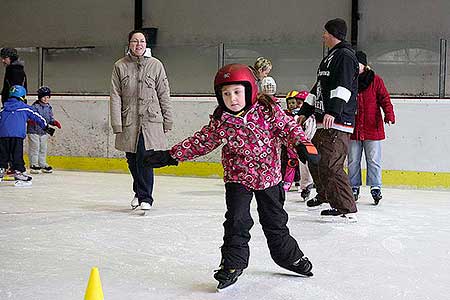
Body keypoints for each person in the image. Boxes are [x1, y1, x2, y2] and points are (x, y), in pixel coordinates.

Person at [143, 64, 319, 291]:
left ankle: (287, 256)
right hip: (238, 178)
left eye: (237, 92)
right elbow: (202, 141)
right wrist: (170, 156)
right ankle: (233, 264)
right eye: (226, 94)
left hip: (269, 177)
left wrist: (302, 143)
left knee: (275, 221)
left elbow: (289, 128)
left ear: (250, 90)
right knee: (237, 221)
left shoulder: (268, 111)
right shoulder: (222, 120)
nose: (232, 98)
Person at [296, 18, 359, 222]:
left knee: (331, 165)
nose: (322, 36)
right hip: (323, 121)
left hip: (337, 122)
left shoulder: (346, 57)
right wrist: (305, 110)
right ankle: (325, 195)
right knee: (314, 160)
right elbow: (318, 88)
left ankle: (346, 208)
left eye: (325, 32)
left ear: (333, 34)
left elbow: (343, 87)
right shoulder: (329, 58)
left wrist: (334, 112)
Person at [110, 29, 173, 211]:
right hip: (129, 120)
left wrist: (167, 120)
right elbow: (115, 95)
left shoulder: (156, 65)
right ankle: (139, 192)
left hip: (151, 121)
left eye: (142, 41)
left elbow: (164, 93)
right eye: (135, 41)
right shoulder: (120, 66)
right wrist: (116, 123)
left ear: (146, 45)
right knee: (131, 158)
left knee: (144, 157)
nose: (139, 44)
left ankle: (146, 197)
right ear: (129, 44)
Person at [347, 51, 396, 205]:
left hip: (372, 128)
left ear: (364, 65)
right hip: (353, 129)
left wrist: (389, 114)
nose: (355, 67)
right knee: (353, 160)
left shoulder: (375, 80)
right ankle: (354, 186)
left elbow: (384, 99)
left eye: (358, 64)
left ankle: (375, 186)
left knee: (373, 160)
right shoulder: (348, 80)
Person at [0, 85, 55, 182]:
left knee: (3, 154)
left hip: (3, 136)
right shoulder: (25, 108)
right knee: (16, 154)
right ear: (22, 96)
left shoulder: (3, 109)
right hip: (17, 136)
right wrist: (46, 127)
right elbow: (38, 117)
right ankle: (18, 172)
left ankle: (1, 170)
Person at [27, 86, 62, 174]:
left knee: (43, 148)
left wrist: (54, 122)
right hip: (34, 131)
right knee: (35, 148)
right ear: (39, 97)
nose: (46, 99)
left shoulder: (48, 107)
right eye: (44, 97)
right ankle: (34, 164)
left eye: (47, 97)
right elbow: (30, 116)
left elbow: (49, 118)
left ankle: (42, 164)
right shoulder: (35, 107)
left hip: (44, 132)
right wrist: (30, 121)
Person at [289, 90, 317, 200]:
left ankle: (317, 184)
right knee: (303, 164)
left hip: (312, 143)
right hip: (303, 144)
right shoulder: (297, 117)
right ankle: (306, 186)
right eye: (297, 103)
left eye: (301, 103)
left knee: (314, 164)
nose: (298, 105)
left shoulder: (313, 118)